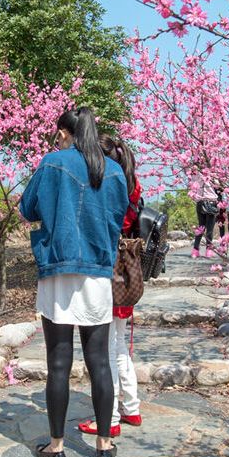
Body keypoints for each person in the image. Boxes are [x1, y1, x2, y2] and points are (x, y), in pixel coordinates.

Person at [19, 107, 129, 457]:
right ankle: (103, 444)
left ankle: (57, 446)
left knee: (59, 363)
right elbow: (118, 217)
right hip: (97, 273)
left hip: (59, 269)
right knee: (100, 362)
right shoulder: (113, 171)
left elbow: (27, 207)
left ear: (66, 132)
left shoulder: (53, 163)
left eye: (59, 136)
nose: (58, 141)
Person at [78, 134, 143, 439]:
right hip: (127, 269)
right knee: (119, 345)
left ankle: (111, 416)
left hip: (110, 270)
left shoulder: (109, 185)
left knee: (108, 349)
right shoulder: (132, 184)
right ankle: (131, 407)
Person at [191, 178, 221, 257]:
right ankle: (208, 250)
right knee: (209, 228)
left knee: (201, 227)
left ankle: (195, 250)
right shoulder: (213, 175)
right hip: (210, 202)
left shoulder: (197, 175)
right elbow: (218, 186)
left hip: (200, 202)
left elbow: (193, 187)